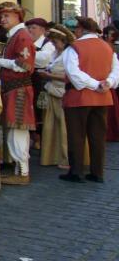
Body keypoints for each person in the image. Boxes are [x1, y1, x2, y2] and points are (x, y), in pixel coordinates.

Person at [59, 16, 119, 184]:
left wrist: (95, 84)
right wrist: (107, 83)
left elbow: (73, 73)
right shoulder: (108, 47)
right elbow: (116, 71)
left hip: (78, 97)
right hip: (102, 98)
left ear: (80, 29)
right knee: (98, 137)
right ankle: (97, 172)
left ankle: (76, 172)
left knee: (76, 135)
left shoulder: (74, 47)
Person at [0, 2, 36, 185]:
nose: (3, 19)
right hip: (13, 89)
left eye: (6, 15)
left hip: (19, 90)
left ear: (18, 16)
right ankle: (19, 170)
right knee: (14, 131)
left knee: (18, 131)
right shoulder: (15, 36)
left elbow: (24, 65)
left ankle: (23, 173)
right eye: (1, 16)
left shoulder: (22, 36)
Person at [37, 24, 74, 169]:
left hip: (62, 93)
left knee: (63, 127)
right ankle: (53, 156)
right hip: (52, 91)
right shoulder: (55, 53)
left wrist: (49, 75)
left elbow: (70, 76)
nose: (53, 45)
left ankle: (65, 158)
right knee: (52, 127)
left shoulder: (69, 54)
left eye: (55, 42)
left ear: (63, 41)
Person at [26, 18, 55, 150]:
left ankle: (40, 138)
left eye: (34, 28)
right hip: (29, 79)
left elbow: (44, 59)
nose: (30, 30)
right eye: (29, 28)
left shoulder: (47, 44)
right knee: (29, 107)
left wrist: (27, 55)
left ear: (42, 30)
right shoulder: (28, 43)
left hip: (40, 81)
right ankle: (33, 136)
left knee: (39, 108)